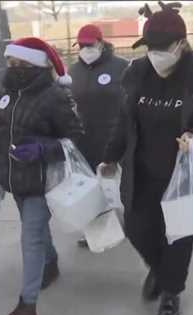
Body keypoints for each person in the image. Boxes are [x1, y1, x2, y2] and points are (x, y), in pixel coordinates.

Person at [101, 2, 193, 315]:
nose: (155, 54)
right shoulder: (137, 73)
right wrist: (109, 156)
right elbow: (124, 121)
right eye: (150, 48)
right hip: (143, 171)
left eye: (162, 48)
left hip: (184, 174)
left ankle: (171, 292)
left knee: (178, 235)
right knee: (137, 230)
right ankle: (161, 271)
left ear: (180, 45)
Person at [0, 37, 84, 315]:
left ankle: (27, 305)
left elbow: (76, 137)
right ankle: (51, 262)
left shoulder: (55, 97)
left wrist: (42, 149)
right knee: (33, 228)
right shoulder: (7, 92)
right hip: (14, 176)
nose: (15, 68)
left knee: (30, 235)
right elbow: (1, 125)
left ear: (37, 65)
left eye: (22, 64)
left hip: (42, 178)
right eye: (11, 63)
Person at [69, 24, 129, 249]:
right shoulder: (74, 70)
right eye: (82, 45)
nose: (86, 48)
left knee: (123, 184)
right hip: (86, 138)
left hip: (116, 134)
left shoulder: (121, 66)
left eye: (90, 44)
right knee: (93, 187)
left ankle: (131, 223)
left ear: (101, 44)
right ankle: (96, 231)